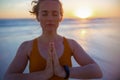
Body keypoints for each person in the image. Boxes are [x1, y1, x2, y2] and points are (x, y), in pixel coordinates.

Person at [4, 0, 102, 80]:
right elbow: (8, 77)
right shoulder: (26, 47)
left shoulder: (71, 44)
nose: (50, 18)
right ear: (38, 16)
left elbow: (97, 71)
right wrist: (43, 75)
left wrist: (62, 71)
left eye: (55, 14)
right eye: (45, 13)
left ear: (61, 17)